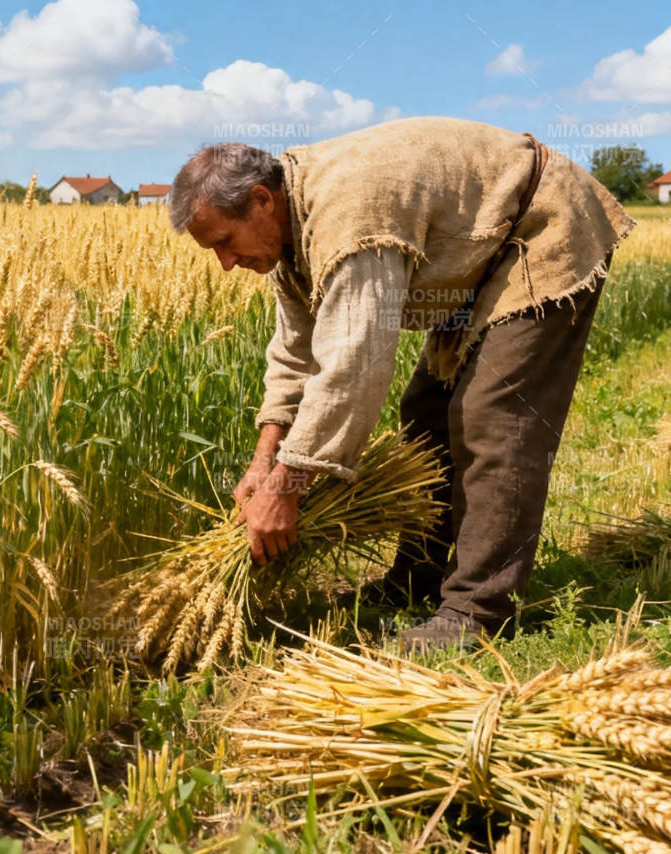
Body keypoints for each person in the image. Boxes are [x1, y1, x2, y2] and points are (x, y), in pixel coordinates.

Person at [167, 116, 634, 651]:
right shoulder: (290, 235)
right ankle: (418, 576)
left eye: (225, 242)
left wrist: (286, 487)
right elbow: (296, 354)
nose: (226, 264)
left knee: (492, 418)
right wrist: (262, 461)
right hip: (479, 261)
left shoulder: (350, 216)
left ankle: (477, 611)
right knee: (427, 411)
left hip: (538, 229)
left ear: (259, 201)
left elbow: (354, 365)